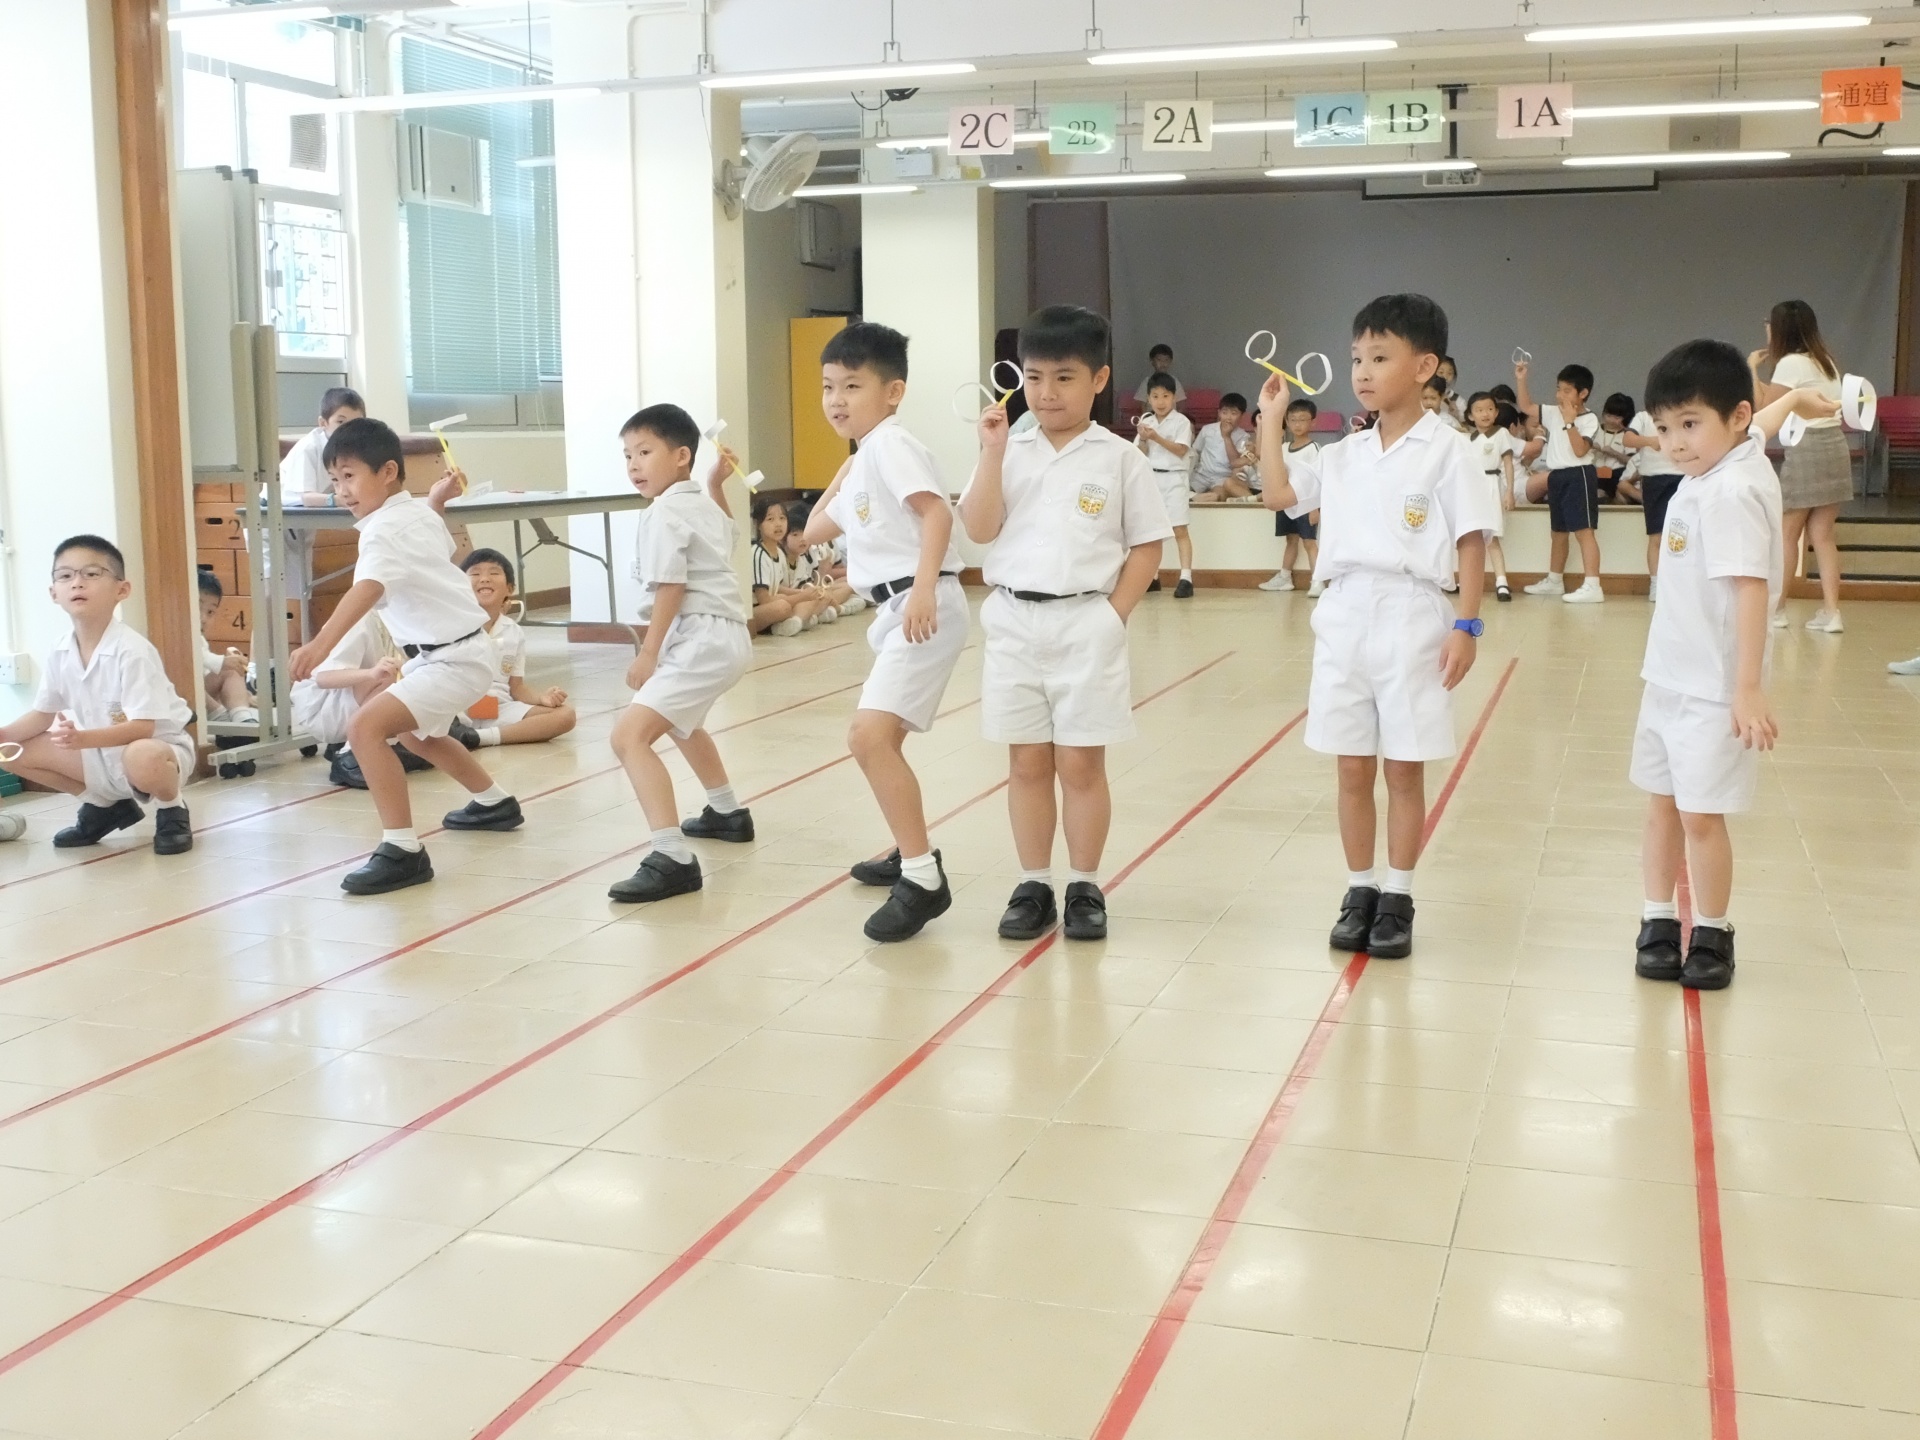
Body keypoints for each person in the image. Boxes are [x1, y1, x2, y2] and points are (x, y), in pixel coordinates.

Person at [1256, 293, 1495, 960]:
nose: (1362, 371)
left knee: (1405, 770)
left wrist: (1467, 624)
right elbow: (1277, 493)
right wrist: (1270, 420)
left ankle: (1398, 893)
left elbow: (1472, 539)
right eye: (1357, 358)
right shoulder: (1344, 453)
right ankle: (1359, 888)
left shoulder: (1450, 451)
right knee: (1352, 767)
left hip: (1414, 614)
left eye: (1380, 358)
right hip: (1344, 613)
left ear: (1424, 367)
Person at [959, 304, 1171, 943]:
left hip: (1086, 622)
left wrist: (1112, 616)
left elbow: (1147, 546)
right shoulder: (1006, 448)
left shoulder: (1120, 458)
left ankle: (1084, 883)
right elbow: (978, 529)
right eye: (1034, 377)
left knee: (1081, 765)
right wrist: (991, 454)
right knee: (1026, 763)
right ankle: (1033, 883)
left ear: (1099, 380)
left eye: (1064, 377)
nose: (1046, 392)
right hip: (1014, 622)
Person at [1630, 340, 1837, 990]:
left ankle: (1712, 931)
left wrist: (1746, 688)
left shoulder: (1732, 490)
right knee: (1661, 804)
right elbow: (1759, 423)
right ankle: (1657, 918)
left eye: (1689, 425)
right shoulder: (1732, 452)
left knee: (1699, 816)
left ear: (1733, 417)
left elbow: (1752, 588)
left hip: (1711, 689)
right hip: (1667, 676)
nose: (1675, 443)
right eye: (1665, 427)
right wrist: (1795, 399)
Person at [288, 418, 523, 896]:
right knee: (417, 736)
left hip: (453, 658)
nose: (341, 491)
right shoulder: (415, 512)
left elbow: (367, 590)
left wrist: (319, 646)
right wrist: (436, 499)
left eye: (350, 476)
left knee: (364, 729)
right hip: (453, 652)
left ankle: (402, 850)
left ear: (388, 472)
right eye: (334, 480)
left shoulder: (383, 532)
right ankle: (493, 803)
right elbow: (430, 533)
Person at [805, 321, 972, 941]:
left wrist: (923, 589)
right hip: (896, 608)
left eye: (853, 386)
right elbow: (812, 531)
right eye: (828, 387)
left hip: (919, 605)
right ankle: (910, 850)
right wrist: (845, 468)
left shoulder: (892, 445)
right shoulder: (868, 454)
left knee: (867, 738)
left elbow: (937, 513)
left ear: (893, 392)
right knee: (883, 741)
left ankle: (923, 877)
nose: (836, 400)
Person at [606, 403, 756, 903]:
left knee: (628, 737)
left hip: (699, 638)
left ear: (681, 456)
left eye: (645, 452)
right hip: (727, 637)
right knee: (681, 723)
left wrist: (647, 654)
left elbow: (671, 585)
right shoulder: (700, 503)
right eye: (628, 455)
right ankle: (726, 812)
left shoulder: (664, 512)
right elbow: (728, 537)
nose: (634, 464)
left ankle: (670, 857)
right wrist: (716, 484)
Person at [0, 535, 196, 855]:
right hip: (99, 756)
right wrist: (3, 734)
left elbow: (143, 728)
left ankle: (171, 809)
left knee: (142, 754)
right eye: (65, 576)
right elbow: (42, 715)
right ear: (54, 593)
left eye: (91, 574)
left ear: (122, 590)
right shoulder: (59, 650)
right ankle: (104, 806)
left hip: (157, 753)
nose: (77, 583)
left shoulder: (132, 650)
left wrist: (82, 739)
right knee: (8, 752)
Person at [1751, 299, 1850, 634]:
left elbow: (1765, 407)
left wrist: (1751, 369)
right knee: (1823, 536)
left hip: (1807, 447)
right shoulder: (1825, 361)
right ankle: (1832, 613)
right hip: (1834, 445)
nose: (1766, 328)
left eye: (1769, 323)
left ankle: (1776, 610)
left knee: (1788, 533)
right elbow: (1785, 398)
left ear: (1781, 329)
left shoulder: (1790, 363)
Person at [460, 549, 577, 747]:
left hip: (499, 708)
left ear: (509, 588)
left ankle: (478, 738)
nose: (485, 579)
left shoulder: (513, 632)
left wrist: (542, 698)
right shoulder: (452, 626)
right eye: (475, 573)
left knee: (566, 715)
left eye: (494, 573)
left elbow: (517, 688)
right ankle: (461, 732)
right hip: (457, 706)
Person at [1517, 358, 1604, 603]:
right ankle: (1554, 580)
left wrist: (1569, 421)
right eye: (1558, 389)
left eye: (1567, 390)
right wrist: (1522, 379)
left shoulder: (1589, 419)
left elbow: (1579, 450)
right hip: (1557, 476)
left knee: (1584, 532)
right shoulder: (1552, 412)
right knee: (1558, 532)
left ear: (1583, 393)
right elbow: (1526, 406)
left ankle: (1593, 585)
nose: (1559, 395)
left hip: (1579, 474)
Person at [290, 613, 409, 788]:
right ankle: (349, 755)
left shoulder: (400, 621)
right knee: (388, 676)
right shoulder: (359, 621)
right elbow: (324, 679)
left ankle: (358, 743)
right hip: (320, 705)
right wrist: (371, 673)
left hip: (346, 697)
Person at [1135, 374, 1195, 597]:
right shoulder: (1146, 421)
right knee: (1153, 532)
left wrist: (1156, 437)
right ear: (1149, 399)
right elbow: (1140, 454)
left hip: (1174, 479)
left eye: (1165, 396)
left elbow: (1180, 450)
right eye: (1155, 396)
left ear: (1174, 398)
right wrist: (1143, 439)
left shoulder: (1182, 422)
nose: (1160, 401)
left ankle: (1186, 578)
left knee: (1179, 529)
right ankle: (1153, 577)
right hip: (1151, 479)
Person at [1259, 398, 1324, 595]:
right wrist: (1262, 426)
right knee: (1291, 540)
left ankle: (1318, 581)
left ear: (1313, 422)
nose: (1297, 424)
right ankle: (1284, 577)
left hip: (1305, 503)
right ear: (1286, 421)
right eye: (1293, 420)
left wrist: (1315, 508)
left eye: (1303, 420)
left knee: (1309, 542)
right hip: (1286, 502)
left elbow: (1319, 479)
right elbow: (1266, 460)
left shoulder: (1314, 448)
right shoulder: (1284, 447)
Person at [1620, 399, 1683, 602]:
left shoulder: (1684, 414)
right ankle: (1656, 584)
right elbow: (1627, 439)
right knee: (1656, 536)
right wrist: (1651, 441)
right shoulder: (1643, 417)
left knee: (1683, 535)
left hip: (1683, 477)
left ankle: (1681, 584)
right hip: (1654, 479)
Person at [1464, 391, 1518, 601]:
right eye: (1479, 410)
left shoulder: (1501, 433)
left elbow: (1508, 464)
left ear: (1496, 412)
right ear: (1471, 415)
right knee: (1470, 537)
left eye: (1489, 409)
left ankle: (1501, 582)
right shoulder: (1468, 439)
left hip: (1492, 485)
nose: (1485, 414)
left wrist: (1509, 491)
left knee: (1491, 537)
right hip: (1472, 488)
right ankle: (1467, 581)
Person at [749, 496, 830, 636]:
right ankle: (796, 620)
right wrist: (801, 596)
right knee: (783, 606)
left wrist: (807, 594)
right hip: (758, 610)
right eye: (770, 519)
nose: (778, 524)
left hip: (775, 602)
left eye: (782, 518)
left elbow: (777, 589)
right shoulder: (758, 553)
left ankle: (796, 621)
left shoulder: (779, 552)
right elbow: (764, 600)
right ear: (758, 524)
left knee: (816, 598)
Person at [194, 569, 258, 727]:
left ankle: (242, 716)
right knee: (191, 680)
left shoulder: (199, 638)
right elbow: (191, 656)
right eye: (197, 608)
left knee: (231, 672)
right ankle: (218, 716)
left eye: (210, 612)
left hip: (203, 692)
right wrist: (222, 662)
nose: (203, 618)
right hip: (184, 694)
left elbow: (206, 668)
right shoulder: (174, 633)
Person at [280, 387, 366, 496]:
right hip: (282, 504)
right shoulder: (309, 448)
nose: (349, 429)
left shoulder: (358, 448)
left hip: (324, 503)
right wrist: (341, 500)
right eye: (341, 422)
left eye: (356, 423)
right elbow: (306, 497)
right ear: (323, 423)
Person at [1189, 391, 1257, 501]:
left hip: (1222, 478)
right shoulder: (1207, 430)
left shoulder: (1243, 436)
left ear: (1242, 416)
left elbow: (1235, 462)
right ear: (1219, 413)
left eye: (1234, 413)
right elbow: (1195, 452)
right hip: (1201, 474)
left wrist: (1227, 437)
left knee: (1217, 498)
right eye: (1224, 413)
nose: (1228, 417)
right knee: (1185, 492)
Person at [1592, 392, 1638, 503]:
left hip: (1616, 474)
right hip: (1595, 472)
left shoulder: (1628, 435)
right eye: (1608, 416)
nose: (1611, 420)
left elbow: (1633, 461)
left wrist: (1614, 453)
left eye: (1617, 417)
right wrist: (1588, 446)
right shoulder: (1593, 429)